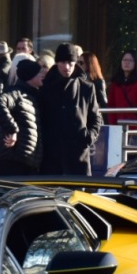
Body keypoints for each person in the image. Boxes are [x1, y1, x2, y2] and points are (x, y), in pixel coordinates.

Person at [39, 43, 102, 176]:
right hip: (51, 156)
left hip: (78, 155)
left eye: (70, 62)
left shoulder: (87, 88)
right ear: (57, 63)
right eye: (62, 62)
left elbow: (96, 117)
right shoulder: (45, 87)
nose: (67, 67)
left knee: (78, 195)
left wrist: (89, 137)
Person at [0, 57, 45, 175]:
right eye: (39, 72)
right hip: (12, 162)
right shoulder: (16, 93)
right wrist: (13, 129)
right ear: (30, 76)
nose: (43, 75)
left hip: (26, 162)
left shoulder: (32, 96)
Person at [107, 50, 137, 126]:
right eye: (125, 60)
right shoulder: (116, 82)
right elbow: (111, 106)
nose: (127, 63)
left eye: (130, 60)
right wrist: (113, 125)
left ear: (135, 63)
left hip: (135, 127)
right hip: (118, 126)